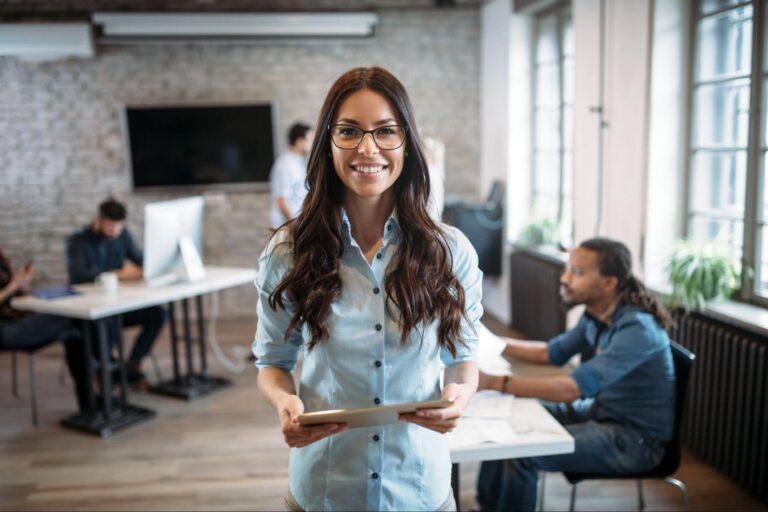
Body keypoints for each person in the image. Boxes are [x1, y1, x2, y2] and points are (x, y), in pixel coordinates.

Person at [253, 67, 484, 512]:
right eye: (349, 132)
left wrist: (461, 394)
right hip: (325, 488)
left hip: (419, 489)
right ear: (327, 143)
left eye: (385, 132)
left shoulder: (449, 251)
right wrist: (284, 401)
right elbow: (272, 363)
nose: (367, 148)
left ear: (407, 143)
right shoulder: (288, 251)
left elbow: (463, 360)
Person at [475, 238, 676, 512]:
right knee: (508, 414)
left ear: (609, 283)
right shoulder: (598, 314)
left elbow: (573, 388)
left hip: (634, 441)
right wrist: (495, 343)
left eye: (577, 272)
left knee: (521, 452)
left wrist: (495, 382)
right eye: (568, 269)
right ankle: (487, 507)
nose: (565, 278)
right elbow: (552, 353)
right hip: (601, 412)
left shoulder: (638, 329)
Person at [66, 198, 166, 387]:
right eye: (110, 226)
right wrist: (118, 274)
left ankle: (132, 365)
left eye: (119, 227)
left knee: (158, 314)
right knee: (106, 323)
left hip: (118, 305)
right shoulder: (77, 242)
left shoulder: (122, 236)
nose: (115, 231)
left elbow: (140, 258)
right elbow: (78, 275)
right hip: (91, 309)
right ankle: (106, 371)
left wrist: (150, 266)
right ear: (98, 220)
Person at [0, 250, 90, 412]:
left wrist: (21, 285)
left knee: (76, 331)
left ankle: (91, 400)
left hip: (17, 317)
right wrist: (14, 284)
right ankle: (101, 383)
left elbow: (9, 295)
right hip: (5, 331)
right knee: (73, 318)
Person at [269, 122, 314, 229]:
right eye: (310, 140)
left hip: (298, 223)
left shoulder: (299, 162)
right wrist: (293, 225)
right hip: (288, 226)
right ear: (299, 141)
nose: (313, 144)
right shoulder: (285, 165)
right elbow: (281, 200)